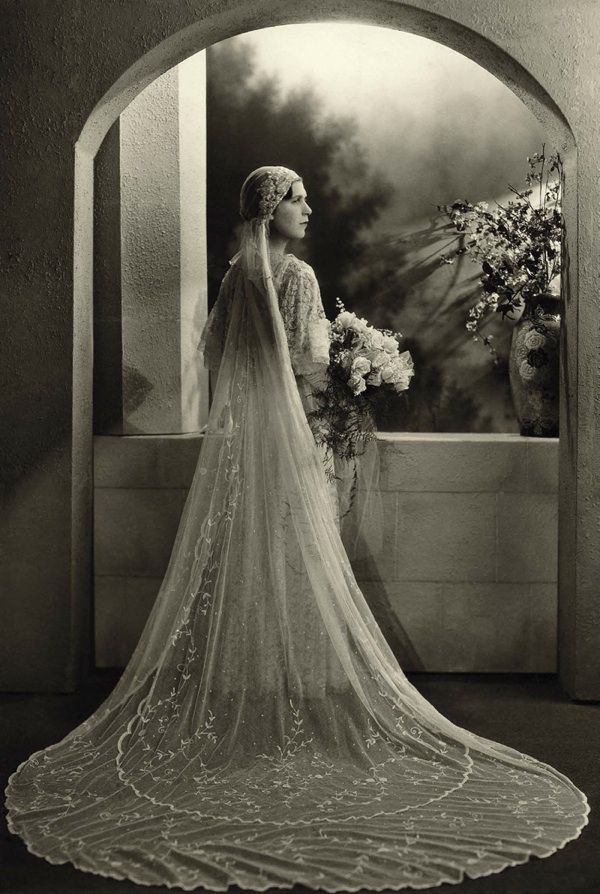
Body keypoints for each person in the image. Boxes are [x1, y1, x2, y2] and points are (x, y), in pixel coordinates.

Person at [5, 165, 588, 891]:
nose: (308, 210)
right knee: (301, 555)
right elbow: (310, 360)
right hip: (295, 440)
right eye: (298, 200)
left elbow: (217, 353)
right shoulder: (299, 278)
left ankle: (248, 691)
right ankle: (300, 695)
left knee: (244, 558)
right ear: (273, 208)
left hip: (243, 448)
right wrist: (345, 365)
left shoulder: (235, 278)